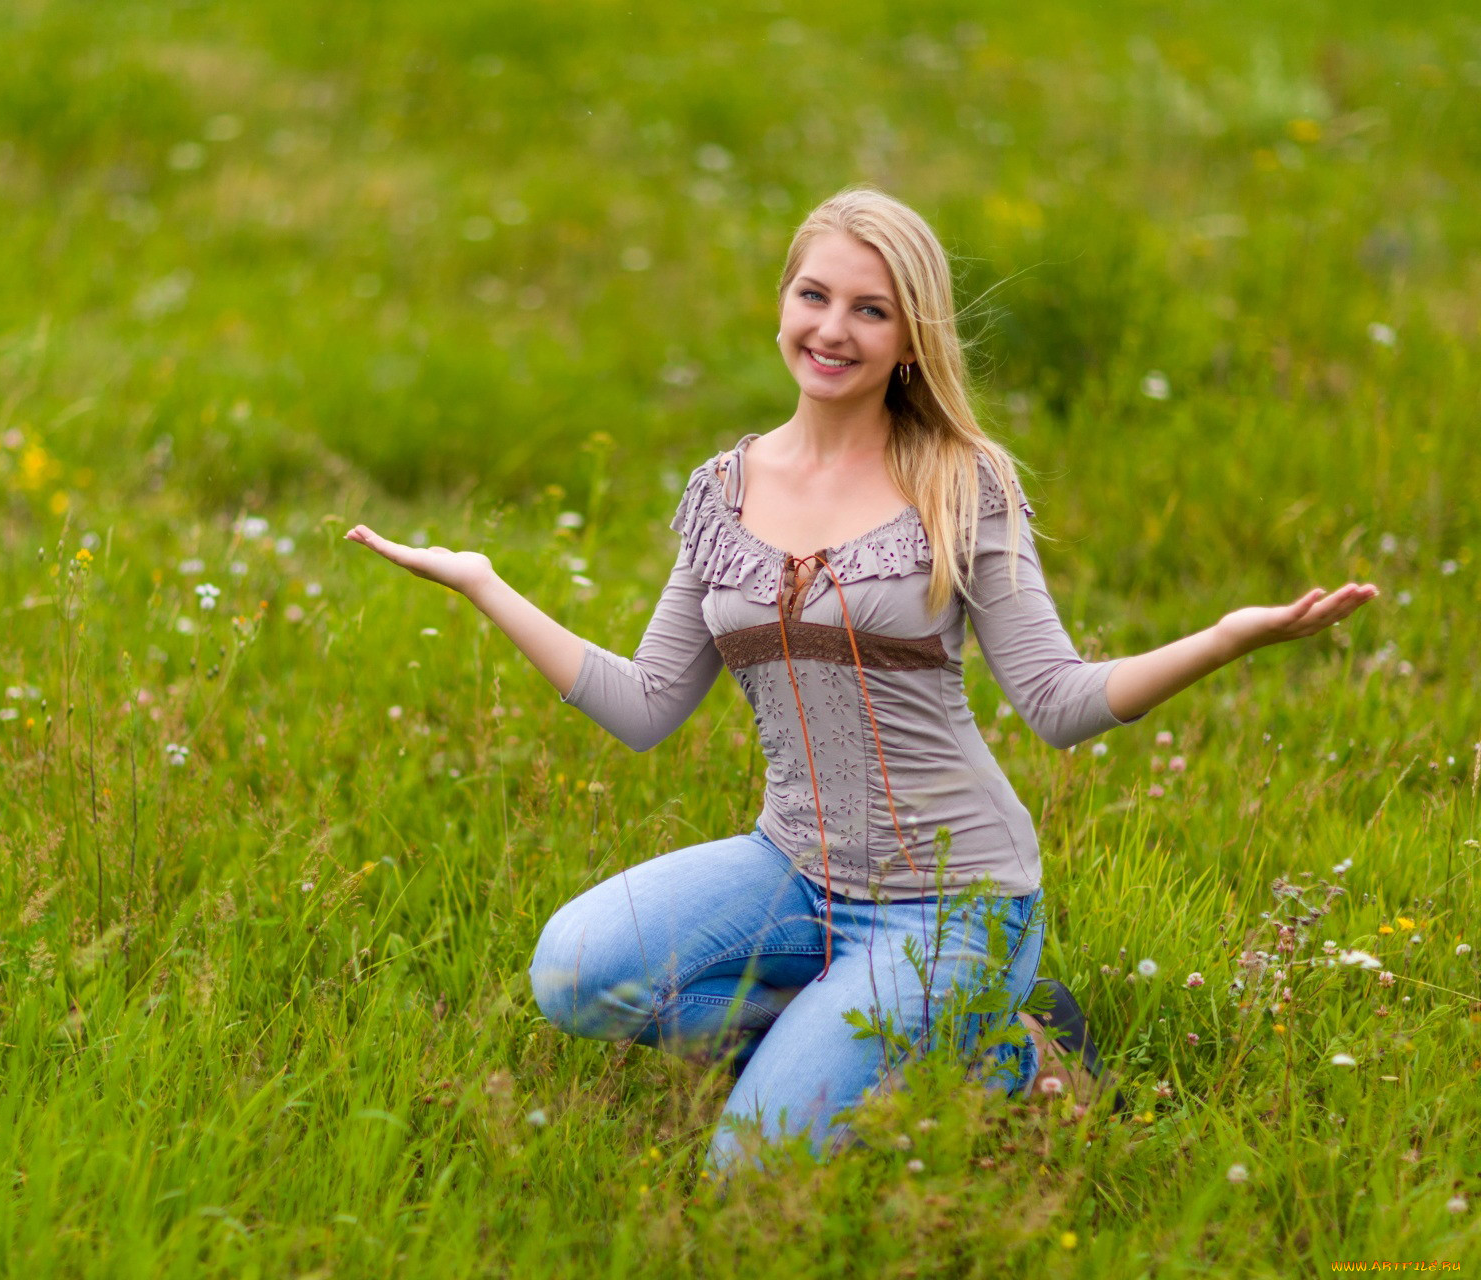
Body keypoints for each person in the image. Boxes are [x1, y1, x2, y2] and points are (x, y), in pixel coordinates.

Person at [345, 185, 1377, 1177]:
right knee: (573, 971)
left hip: (952, 901)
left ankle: (1013, 1053)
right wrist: (487, 585)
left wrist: (1228, 638)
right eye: (815, 296)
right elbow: (649, 704)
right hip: (791, 871)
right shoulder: (722, 489)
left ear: (911, 336)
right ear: (784, 302)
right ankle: (854, 1039)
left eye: (870, 309)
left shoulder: (962, 482)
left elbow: (1059, 703)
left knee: (749, 1176)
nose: (833, 329)